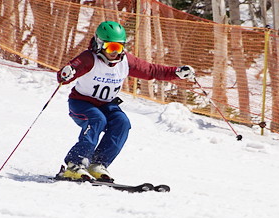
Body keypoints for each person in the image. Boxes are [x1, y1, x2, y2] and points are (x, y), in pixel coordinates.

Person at [56, 21, 195, 181]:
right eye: (111, 47)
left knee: (122, 123)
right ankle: (75, 164)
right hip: (81, 103)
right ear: (99, 44)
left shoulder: (125, 61)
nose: (115, 52)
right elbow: (68, 73)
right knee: (97, 120)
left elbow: (151, 70)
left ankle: (98, 164)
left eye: (119, 47)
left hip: (107, 104)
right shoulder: (89, 58)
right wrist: (66, 73)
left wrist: (176, 72)